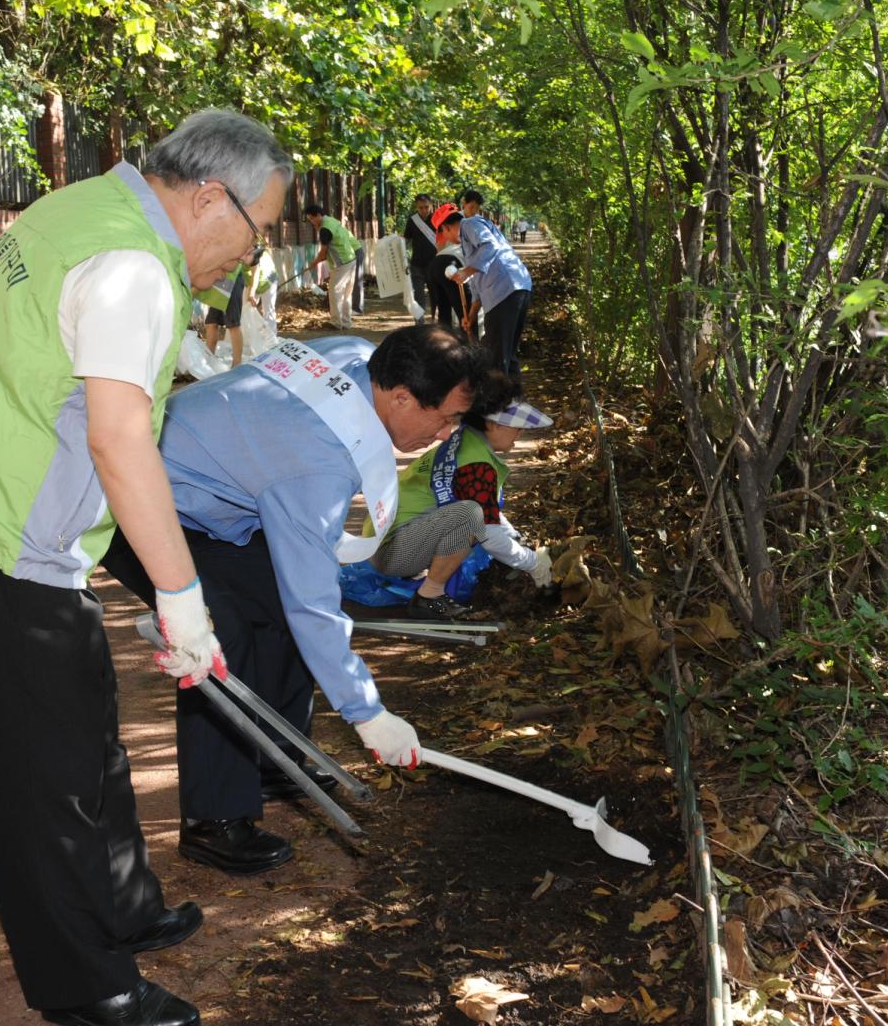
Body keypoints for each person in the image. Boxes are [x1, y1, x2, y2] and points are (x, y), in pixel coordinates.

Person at [0, 109, 292, 1026]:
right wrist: (182, 598)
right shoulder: (133, 271)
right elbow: (119, 441)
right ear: (207, 197)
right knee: (42, 780)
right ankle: (88, 989)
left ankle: (124, 905)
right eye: (257, 234)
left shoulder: (86, 208)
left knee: (85, 724)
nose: (250, 259)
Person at [101, 324, 485, 877]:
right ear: (401, 396)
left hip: (213, 506)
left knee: (280, 607)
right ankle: (215, 820)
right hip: (140, 503)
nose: (447, 433)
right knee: (220, 631)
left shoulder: (360, 359)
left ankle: (278, 757)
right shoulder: (317, 463)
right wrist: (367, 713)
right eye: (445, 417)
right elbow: (314, 603)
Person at [370, 372, 555, 619]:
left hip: (387, 540)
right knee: (469, 515)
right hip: (393, 551)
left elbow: (490, 512)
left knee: (473, 514)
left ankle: (427, 583)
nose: (520, 434)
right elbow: (486, 530)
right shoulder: (476, 465)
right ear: (492, 424)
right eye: (517, 427)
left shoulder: (467, 442)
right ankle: (430, 596)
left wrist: (514, 538)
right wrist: (533, 563)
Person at [453, 189, 532, 382]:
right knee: (507, 354)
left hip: (504, 292)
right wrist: (470, 317)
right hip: (519, 286)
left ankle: (497, 405)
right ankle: (514, 400)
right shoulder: (480, 229)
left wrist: (466, 271)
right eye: (470, 207)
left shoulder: (469, 224)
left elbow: (490, 247)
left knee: (496, 357)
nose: (445, 241)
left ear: (447, 227)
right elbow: (479, 285)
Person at [301, 203, 363, 329]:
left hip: (341, 263)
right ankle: (346, 322)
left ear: (318, 215)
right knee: (346, 294)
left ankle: (336, 322)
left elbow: (323, 252)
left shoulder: (325, 229)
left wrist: (314, 263)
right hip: (350, 259)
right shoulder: (331, 221)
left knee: (334, 292)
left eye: (312, 219)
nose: (312, 222)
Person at [426, 204, 473, 334]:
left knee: (443, 317)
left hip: (434, 267)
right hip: (452, 265)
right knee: (467, 317)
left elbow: (439, 252)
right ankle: (471, 348)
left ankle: (442, 349)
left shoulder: (452, 231)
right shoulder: (471, 224)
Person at [199, 264, 246, 367]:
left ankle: (236, 365)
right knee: (211, 323)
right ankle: (208, 362)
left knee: (233, 324)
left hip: (232, 280)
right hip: (218, 282)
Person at [402, 193, 439, 321]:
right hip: (417, 264)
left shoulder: (437, 220)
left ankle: (436, 322)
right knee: (418, 297)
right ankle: (419, 324)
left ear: (431, 206)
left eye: (426, 207)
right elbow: (406, 238)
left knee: (436, 296)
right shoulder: (412, 220)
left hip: (434, 264)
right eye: (420, 208)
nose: (423, 210)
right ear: (416, 207)